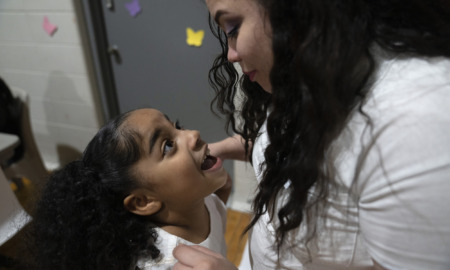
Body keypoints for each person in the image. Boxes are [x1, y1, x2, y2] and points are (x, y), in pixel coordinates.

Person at [173, 0, 450, 269]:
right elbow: (286, 150)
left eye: (233, 28)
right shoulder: (309, 67)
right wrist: (221, 149)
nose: (231, 54)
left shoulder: (414, 124)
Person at [26, 108, 231, 270]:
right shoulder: (164, 264)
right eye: (167, 145)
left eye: (177, 126)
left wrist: (221, 193)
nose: (193, 134)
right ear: (144, 201)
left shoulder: (201, 200)